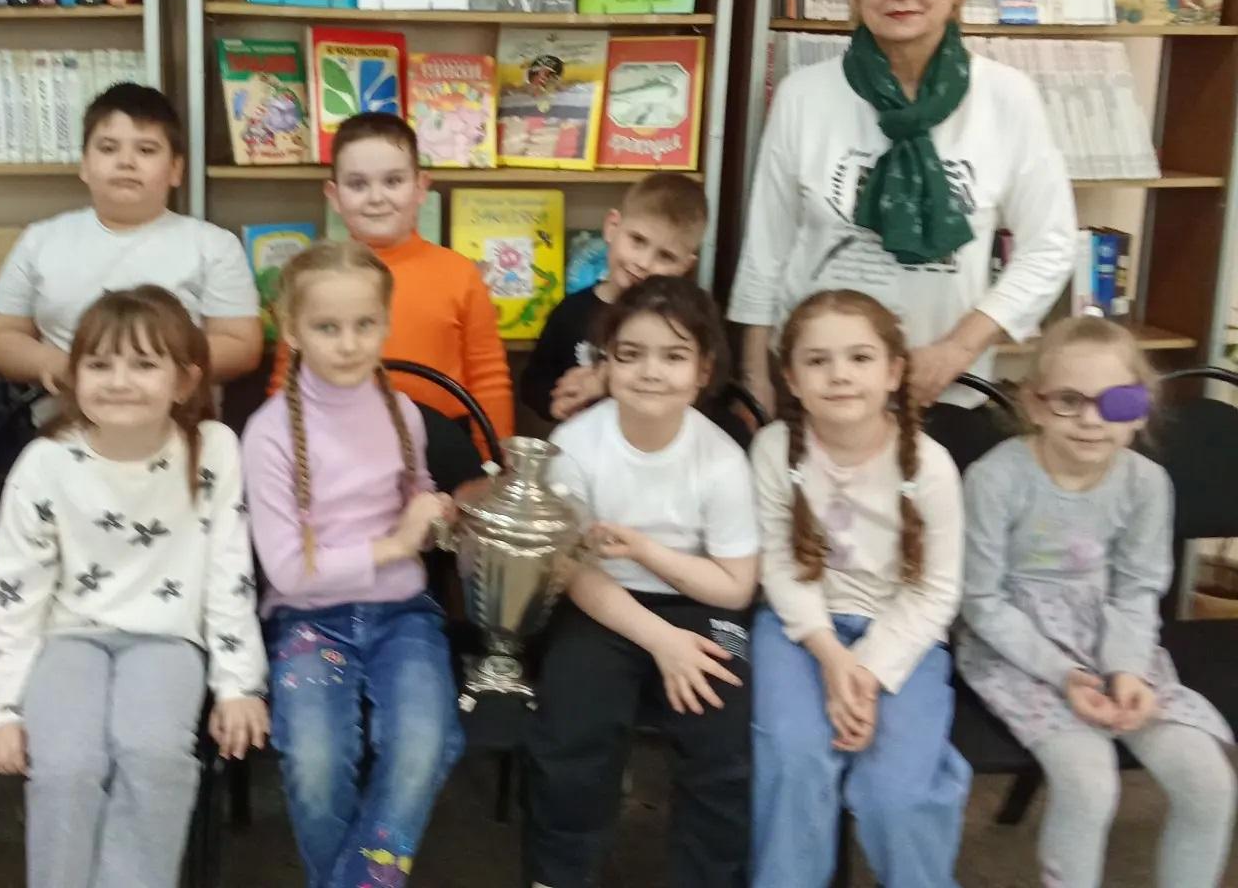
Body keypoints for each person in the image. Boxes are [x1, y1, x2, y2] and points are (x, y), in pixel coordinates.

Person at [728, 0, 1075, 412]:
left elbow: (1050, 245)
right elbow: (766, 248)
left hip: (943, 388)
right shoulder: (804, 95)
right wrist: (755, 378)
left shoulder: (1007, 97)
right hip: (817, 388)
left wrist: (957, 349)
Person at [0, 286, 269, 888]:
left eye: (143, 364)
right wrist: (1, 709)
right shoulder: (46, 463)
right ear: (73, 375)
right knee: (66, 765)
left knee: (153, 754)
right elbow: (14, 591)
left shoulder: (213, 450)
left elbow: (228, 570)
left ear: (184, 381)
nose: (119, 382)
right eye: (100, 364)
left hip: (167, 640)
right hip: (68, 638)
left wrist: (238, 683)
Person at [956, 316, 1235, 888]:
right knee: (1089, 783)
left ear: (1140, 410)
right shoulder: (995, 480)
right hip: (1018, 651)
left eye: (1115, 402)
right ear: (1033, 405)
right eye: (1068, 400)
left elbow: (1137, 589)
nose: (1090, 419)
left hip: (1117, 643)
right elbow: (982, 602)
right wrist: (1065, 674)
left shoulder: (1146, 483)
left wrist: (1126, 670)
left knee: (1209, 783)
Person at [242, 241, 464, 888]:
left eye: (365, 324)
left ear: (386, 322)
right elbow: (289, 571)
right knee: (315, 760)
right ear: (291, 329)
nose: (348, 344)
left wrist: (435, 515)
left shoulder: (401, 413)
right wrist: (396, 544)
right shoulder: (268, 433)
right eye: (327, 327)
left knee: (425, 741)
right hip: (308, 620)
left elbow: (417, 496)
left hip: (404, 614)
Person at [525, 276, 756, 888]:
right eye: (630, 354)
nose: (651, 372)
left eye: (674, 356)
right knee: (573, 726)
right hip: (601, 603)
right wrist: (661, 640)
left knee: (726, 735)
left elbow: (735, 587)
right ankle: (559, 874)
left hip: (703, 604)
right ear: (606, 363)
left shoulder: (723, 458)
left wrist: (648, 551)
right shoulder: (575, 444)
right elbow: (571, 571)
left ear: (703, 371)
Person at [749, 288, 968, 888]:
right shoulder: (773, 451)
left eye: (860, 358)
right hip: (800, 629)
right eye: (817, 361)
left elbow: (936, 592)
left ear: (894, 372)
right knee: (794, 758)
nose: (840, 375)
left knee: (898, 791)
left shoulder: (931, 466)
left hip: (902, 638)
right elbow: (781, 567)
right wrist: (830, 657)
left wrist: (866, 674)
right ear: (792, 379)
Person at [0, 82, 263, 398]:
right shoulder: (40, 240)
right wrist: (65, 367)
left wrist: (151, 372)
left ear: (175, 169)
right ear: (84, 165)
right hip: (65, 415)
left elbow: (241, 345)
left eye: (146, 150)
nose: (126, 161)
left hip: (180, 417)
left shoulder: (214, 245)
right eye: (108, 148)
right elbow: (0, 335)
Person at [267, 111, 513, 443]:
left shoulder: (460, 274)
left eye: (393, 181)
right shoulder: (311, 278)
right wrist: (284, 449)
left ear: (420, 187)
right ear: (334, 195)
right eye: (358, 184)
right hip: (334, 443)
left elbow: (488, 378)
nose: (376, 197)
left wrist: (492, 459)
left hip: (443, 445)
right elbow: (287, 378)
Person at [520, 172, 706, 424]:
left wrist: (605, 382)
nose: (643, 263)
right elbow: (533, 383)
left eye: (666, 256)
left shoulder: (685, 325)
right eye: (637, 240)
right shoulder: (571, 313)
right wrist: (558, 400)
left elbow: (701, 395)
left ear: (686, 265)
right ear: (612, 227)